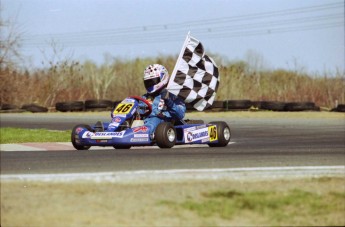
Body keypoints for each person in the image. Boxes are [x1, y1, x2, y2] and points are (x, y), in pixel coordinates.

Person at [141, 64, 186, 135]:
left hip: (164, 123)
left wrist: (168, 101)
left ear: (163, 77)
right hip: (145, 121)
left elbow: (180, 115)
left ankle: (144, 133)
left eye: (152, 81)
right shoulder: (145, 97)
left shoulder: (173, 95)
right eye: (148, 82)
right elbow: (140, 110)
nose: (150, 84)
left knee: (154, 120)